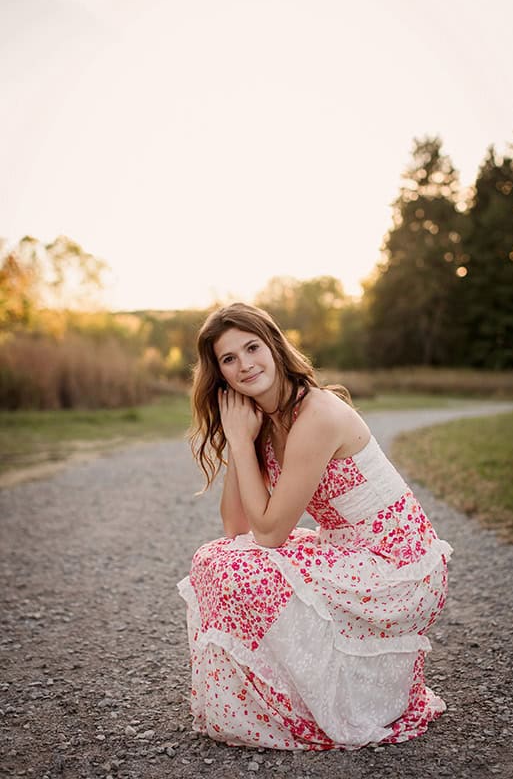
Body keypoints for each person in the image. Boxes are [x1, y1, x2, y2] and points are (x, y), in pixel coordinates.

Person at [177, 302, 452, 750]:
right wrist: (238, 438)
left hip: (400, 569)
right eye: (229, 359)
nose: (245, 364)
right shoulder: (265, 422)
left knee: (239, 570)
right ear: (220, 374)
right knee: (213, 560)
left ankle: (317, 705)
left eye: (252, 347)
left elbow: (268, 535)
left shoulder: (317, 414)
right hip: (351, 554)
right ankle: (286, 700)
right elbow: (237, 526)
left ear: (275, 346)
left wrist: (242, 444)